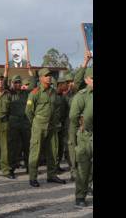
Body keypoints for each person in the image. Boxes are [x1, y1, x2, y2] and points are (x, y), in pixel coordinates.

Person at [25, 68, 66, 187]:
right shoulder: (34, 93)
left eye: (50, 75)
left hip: (52, 127)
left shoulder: (53, 92)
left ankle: (51, 175)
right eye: (46, 75)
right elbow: (28, 111)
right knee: (35, 152)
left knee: (53, 151)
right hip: (39, 127)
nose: (49, 77)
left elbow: (57, 108)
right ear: (41, 78)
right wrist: (36, 123)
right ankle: (33, 177)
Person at [4, 62, 36, 173]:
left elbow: (33, 85)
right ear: (12, 83)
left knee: (27, 145)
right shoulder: (9, 93)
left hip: (25, 122)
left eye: (19, 82)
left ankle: (29, 167)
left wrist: (30, 70)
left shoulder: (25, 93)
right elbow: (4, 85)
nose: (17, 84)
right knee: (13, 147)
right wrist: (6, 71)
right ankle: (11, 169)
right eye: (15, 82)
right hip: (13, 123)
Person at [65, 50, 92, 181]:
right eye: (68, 81)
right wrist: (85, 62)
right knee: (72, 146)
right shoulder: (74, 92)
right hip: (72, 123)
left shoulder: (85, 88)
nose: (71, 83)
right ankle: (74, 171)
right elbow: (77, 79)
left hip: (85, 124)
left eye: (72, 81)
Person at [69, 67, 93, 207]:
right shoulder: (81, 96)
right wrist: (81, 127)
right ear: (86, 80)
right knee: (83, 168)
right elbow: (73, 117)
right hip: (85, 135)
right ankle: (80, 196)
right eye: (92, 78)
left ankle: (88, 188)